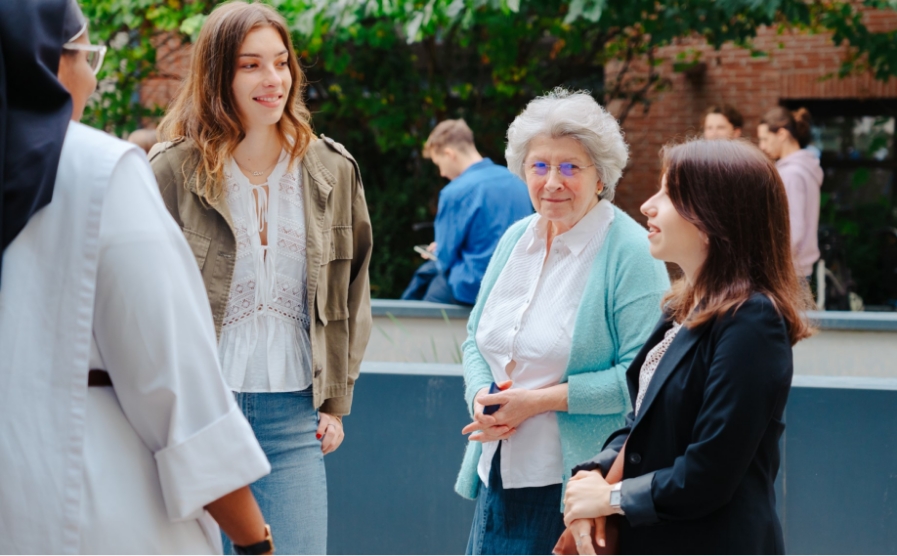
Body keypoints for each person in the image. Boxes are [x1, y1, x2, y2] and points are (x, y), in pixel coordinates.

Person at [0, 1, 275, 553]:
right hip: (99, 514)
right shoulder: (97, 172)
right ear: (45, 62)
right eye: (87, 58)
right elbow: (179, 393)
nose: (93, 82)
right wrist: (254, 541)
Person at [150, 2, 373, 553]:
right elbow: (142, 303)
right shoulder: (171, 170)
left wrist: (334, 402)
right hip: (199, 416)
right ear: (217, 74)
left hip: (292, 420)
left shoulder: (332, 169)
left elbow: (352, 292)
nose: (273, 79)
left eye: (281, 63)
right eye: (251, 65)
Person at [562, 139, 813, 555]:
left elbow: (710, 472)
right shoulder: (683, 306)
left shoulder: (753, 320)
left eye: (670, 194)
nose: (648, 205)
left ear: (715, 217)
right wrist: (595, 473)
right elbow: (642, 422)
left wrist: (611, 498)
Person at [455, 88, 670, 555]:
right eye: (540, 166)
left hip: (570, 490)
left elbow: (646, 380)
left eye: (571, 167)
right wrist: (480, 396)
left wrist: (535, 402)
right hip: (496, 476)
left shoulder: (630, 252)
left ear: (601, 177)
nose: (553, 181)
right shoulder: (516, 237)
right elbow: (475, 339)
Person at [401, 119, 532, 305]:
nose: (442, 173)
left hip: (472, 287)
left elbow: (446, 259)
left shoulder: (455, 192)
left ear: (449, 154)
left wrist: (440, 251)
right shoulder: (518, 181)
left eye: (439, 164)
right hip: (514, 285)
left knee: (419, 293)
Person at [758, 106, 823, 279]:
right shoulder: (806, 167)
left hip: (787, 273)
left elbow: (793, 229)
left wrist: (770, 266)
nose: (761, 146)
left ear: (781, 134)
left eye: (765, 139)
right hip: (799, 270)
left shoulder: (791, 174)